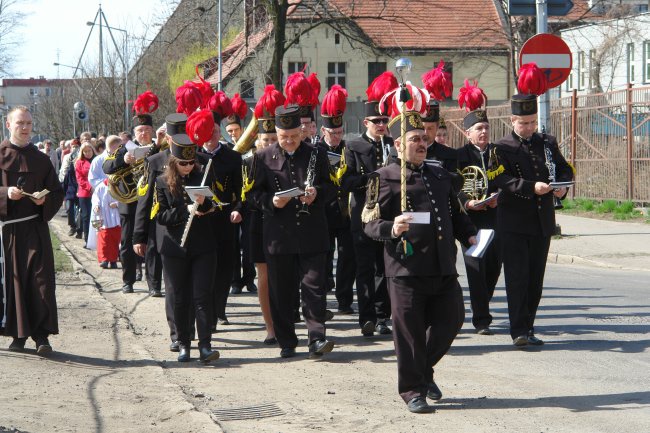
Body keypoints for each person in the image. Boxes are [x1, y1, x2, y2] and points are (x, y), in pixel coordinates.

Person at [363, 110, 476, 413]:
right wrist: (391, 228)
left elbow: (454, 213)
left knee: (452, 320)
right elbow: (369, 223)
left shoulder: (439, 174)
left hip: (442, 265)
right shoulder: (384, 177)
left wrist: (469, 236)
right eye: (414, 139)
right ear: (398, 144)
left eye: (424, 139)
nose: (421, 143)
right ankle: (413, 390)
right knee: (409, 334)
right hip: (406, 269)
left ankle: (423, 372)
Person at [490, 73, 574, 348]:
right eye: (524, 123)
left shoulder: (546, 142)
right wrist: (530, 186)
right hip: (514, 222)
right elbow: (499, 179)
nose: (529, 128)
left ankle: (529, 325)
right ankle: (518, 330)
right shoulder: (501, 147)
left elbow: (563, 168)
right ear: (512, 122)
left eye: (532, 122)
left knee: (536, 279)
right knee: (517, 278)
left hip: (541, 221)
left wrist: (562, 187)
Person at [250, 105, 336, 359]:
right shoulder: (263, 158)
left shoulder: (316, 154)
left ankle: (316, 338)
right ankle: (286, 340)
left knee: (314, 288)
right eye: (284, 136)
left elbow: (332, 188)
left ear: (302, 131)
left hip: (312, 232)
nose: (289, 141)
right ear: (276, 132)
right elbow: (253, 195)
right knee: (282, 291)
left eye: (294, 136)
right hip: (279, 235)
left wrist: (317, 194)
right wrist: (271, 202)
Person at [0, 106, 64, 354]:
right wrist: (6, 193)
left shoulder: (41, 159)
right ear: (9, 125)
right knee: (15, 284)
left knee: (41, 282)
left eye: (28, 123)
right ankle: (18, 335)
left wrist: (44, 201)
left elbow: (56, 192)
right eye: (20, 123)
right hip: (9, 233)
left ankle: (42, 336)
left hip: (35, 228)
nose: (25, 128)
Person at [154, 133, 220, 363]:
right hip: (175, 247)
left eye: (191, 162)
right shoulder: (162, 182)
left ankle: (205, 346)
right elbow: (160, 215)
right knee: (180, 297)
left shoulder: (203, 177)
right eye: (183, 163)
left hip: (203, 246)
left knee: (202, 297)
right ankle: (183, 344)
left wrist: (205, 205)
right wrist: (185, 209)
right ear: (174, 161)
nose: (188, 167)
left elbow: (215, 205)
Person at [341, 71, 397, 337]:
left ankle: (382, 315)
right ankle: (367, 318)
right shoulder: (353, 147)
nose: (381, 125)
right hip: (363, 216)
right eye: (376, 121)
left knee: (385, 269)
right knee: (365, 269)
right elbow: (347, 182)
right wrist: (373, 178)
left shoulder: (392, 145)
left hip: (387, 217)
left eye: (384, 120)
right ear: (366, 121)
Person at [134, 113, 186, 350]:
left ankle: (193, 332)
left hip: (196, 231)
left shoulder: (199, 160)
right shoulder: (156, 161)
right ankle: (177, 334)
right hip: (165, 229)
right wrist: (139, 235)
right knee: (173, 287)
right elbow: (145, 200)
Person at [192, 108, 243, 329]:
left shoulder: (232, 156)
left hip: (225, 220)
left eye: (214, 131)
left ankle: (219, 309)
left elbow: (242, 190)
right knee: (204, 270)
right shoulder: (193, 156)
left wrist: (239, 209)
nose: (212, 136)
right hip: (201, 221)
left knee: (224, 268)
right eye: (208, 132)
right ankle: (205, 313)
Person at [245, 84, 285, 344]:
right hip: (258, 223)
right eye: (266, 140)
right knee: (265, 274)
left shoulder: (286, 160)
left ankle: (285, 323)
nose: (269, 144)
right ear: (258, 139)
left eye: (273, 140)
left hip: (284, 224)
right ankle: (270, 326)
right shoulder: (250, 161)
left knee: (284, 276)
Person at [457, 107, 501, 335]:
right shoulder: (460, 156)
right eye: (478, 129)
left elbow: (505, 180)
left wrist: (498, 198)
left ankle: (483, 301)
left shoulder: (498, 152)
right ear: (468, 133)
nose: (483, 132)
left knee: (493, 267)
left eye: (486, 128)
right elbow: (455, 188)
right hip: (471, 222)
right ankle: (482, 320)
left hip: (495, 219)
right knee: (476, 270)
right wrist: (468, 202)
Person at [103, 104, 156, 294]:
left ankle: (153, 284)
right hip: (130, 203)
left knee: (152, 244)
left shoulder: (158, 147)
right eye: (140, 130)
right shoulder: (125, 148)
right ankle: (128, 281)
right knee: (127, 244)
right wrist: (122, 160)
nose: (143, 133)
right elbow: (107, 167)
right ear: (134, 132)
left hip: (153, 203)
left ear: (152, 130)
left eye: (147, 130)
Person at [317, 84, 355, 314]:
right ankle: (320, 300)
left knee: (347, 257)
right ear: (323, 131)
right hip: (323, 210)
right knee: (323, 256)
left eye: (339, 132)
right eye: (333, 133)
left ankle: (344, 299)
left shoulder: (349, 148)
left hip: (346, 211)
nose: (336, 137)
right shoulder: (315, 150)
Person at [92, 176, 121, 269]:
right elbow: (95, 198)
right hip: (103, 216)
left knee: (114, 240)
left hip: (114, 216)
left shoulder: (118, 186)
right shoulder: (100, 187)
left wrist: (116, 204)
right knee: (103, 239)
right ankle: (104, 259)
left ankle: (113, 260)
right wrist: (96, 205)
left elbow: (123, 198)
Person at [75, 142, 95, 244]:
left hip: (97, 192)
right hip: (85, 193)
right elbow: (80, 179)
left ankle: (96, 239)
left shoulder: (97, 160)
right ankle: (87, 240)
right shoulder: (79, 162)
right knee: (86, 216)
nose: (87, 153)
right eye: (85, 151)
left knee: (96, 216)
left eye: (89, 150)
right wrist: (90, 187)